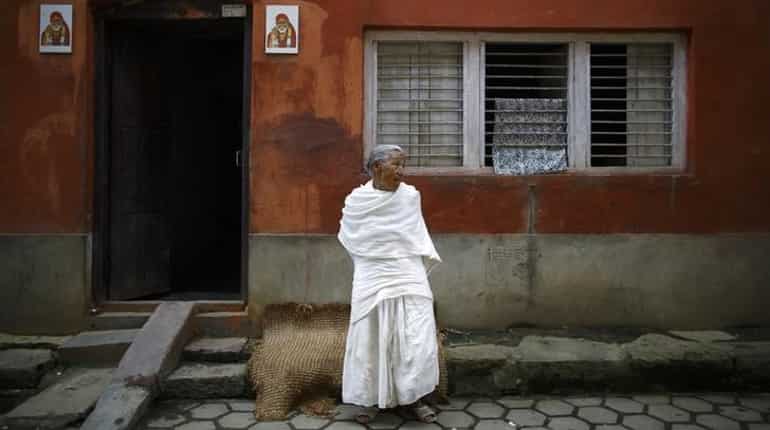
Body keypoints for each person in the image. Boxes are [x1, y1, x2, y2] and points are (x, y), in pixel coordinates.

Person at [338, 145, 441, 424]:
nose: (401, 170)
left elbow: (414, 234)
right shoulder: (357, 201)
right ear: (376, 168)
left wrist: (397, 257)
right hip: (372, 273)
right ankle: (369, 399)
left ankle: (414, 397)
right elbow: (351, 239)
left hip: (408, 270)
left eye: (403, 164)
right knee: (370, 336)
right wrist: (374, 260)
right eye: (395, 164)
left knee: (414, 334)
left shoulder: (410, 196)